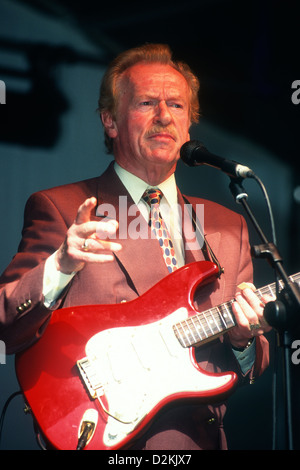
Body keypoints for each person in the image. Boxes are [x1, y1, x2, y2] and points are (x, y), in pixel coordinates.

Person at [0, 43, 272, 450]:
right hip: (103, 432)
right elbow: (6, 324)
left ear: (189, 127)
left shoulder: (226, 226)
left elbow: (252, 363)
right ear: (110, 121)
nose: (164, 116)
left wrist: (244, 340)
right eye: (147, 102)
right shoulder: (62, 208)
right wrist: (60, 265)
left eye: (177, 106)